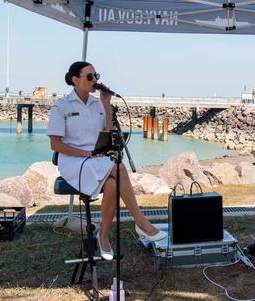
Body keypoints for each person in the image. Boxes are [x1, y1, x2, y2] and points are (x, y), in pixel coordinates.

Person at [47, 61, 166, 261]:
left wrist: (106, 104)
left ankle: (103, 236)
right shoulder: (61, 107)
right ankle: (141, 223)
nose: (95, 80)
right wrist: (85, 154)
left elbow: (108, 134)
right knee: (118, 167)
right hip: (74, 162)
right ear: (75, 80)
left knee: (112, 184)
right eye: (89, 77)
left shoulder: (98, 104)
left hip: (96, 158)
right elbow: (55, 145)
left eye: (96, 76)